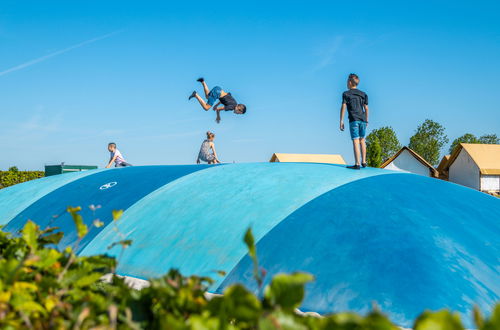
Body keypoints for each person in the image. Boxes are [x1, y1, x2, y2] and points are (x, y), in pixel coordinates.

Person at [340, 73, 369, 170]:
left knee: (355, 140)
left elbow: (343, 107)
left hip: (354, 120)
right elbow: (366, 108)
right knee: (362, 140)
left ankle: (357, 164)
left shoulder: (346, 94)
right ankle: (364, 162)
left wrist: (341, 121)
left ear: (349, 82)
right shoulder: (363, 94)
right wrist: (367, 120)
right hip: (363, 120)